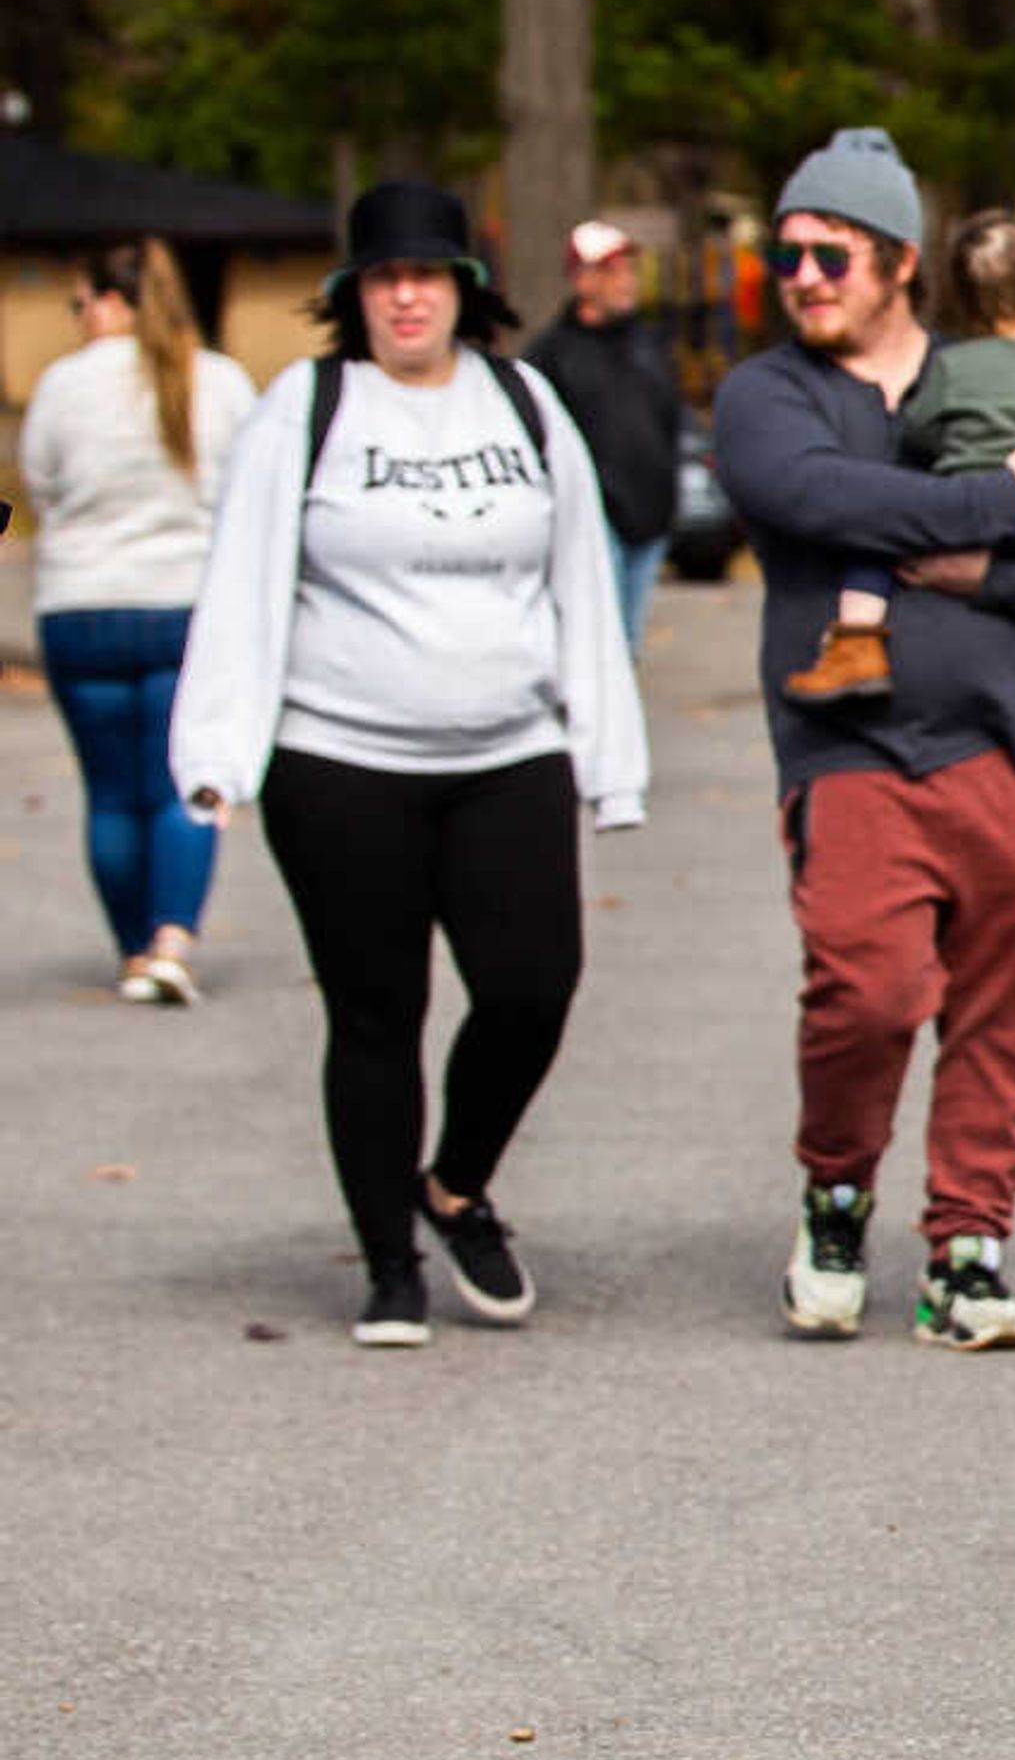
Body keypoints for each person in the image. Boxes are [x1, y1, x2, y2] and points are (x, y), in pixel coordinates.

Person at [167, 182, 646, 1347]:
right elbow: (242, 582)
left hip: (508, 753)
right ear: (355, 297)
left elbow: (581, 581)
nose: (408, 296)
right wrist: (218, 753)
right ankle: (391, 1260)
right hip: (342, 760)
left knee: (533, 986)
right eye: (385, 278)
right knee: (377, 1011)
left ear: (467, 291)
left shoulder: (524, 403)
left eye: (429, 275)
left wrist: (608, 759)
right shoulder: (308, 407)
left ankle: (455, 1184)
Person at [710, 129, 1015, 1350]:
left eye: (827, 250)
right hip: (854, 748)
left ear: (895, 259)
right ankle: (836, 1196)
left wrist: (958, 569)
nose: (802, 273)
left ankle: (968, 1248)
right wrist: (998, 513)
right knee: (868, 990)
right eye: (787, 251)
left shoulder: (1004, 364)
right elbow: (813, 495)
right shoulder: (769, 395)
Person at [17, 240, 259, 1000]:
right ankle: (172, 939)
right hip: (186, 606)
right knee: (182, 784)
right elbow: (249, 488)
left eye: (79, 303)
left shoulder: (62, 385)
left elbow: (41, 482)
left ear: (110, 303)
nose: (78, 318)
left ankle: (130, 948)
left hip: (80, 606)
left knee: (112, 791)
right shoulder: (218, 381)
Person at [780, 188, 1015, 715]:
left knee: (875, 540)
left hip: (961, 506)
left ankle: (857, 642)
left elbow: (921, 428)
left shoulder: (953, 367)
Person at [522, 217, 683, 655]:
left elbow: (668, 419)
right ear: (582, 279)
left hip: (650, 519)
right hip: (594, 522)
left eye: (628, 270)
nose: (625, 281)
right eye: (612, 271)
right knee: (596, 645)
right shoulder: (551, 356)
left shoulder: (647, 344)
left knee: (627, 644)